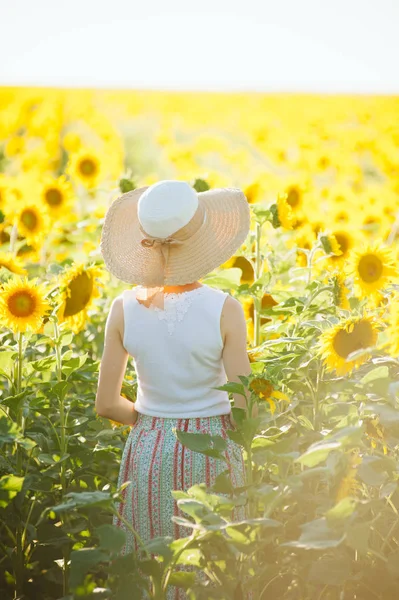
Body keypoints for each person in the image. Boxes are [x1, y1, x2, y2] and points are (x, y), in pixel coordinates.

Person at [96, 179, 256, 599]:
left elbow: (107, 404)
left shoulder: (123, 308)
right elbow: (243, 403)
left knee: (152, 571)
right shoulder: (225, 309)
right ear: (202, 240)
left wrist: (151, 422)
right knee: (209, 571)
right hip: (212, 446)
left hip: (147, 448)